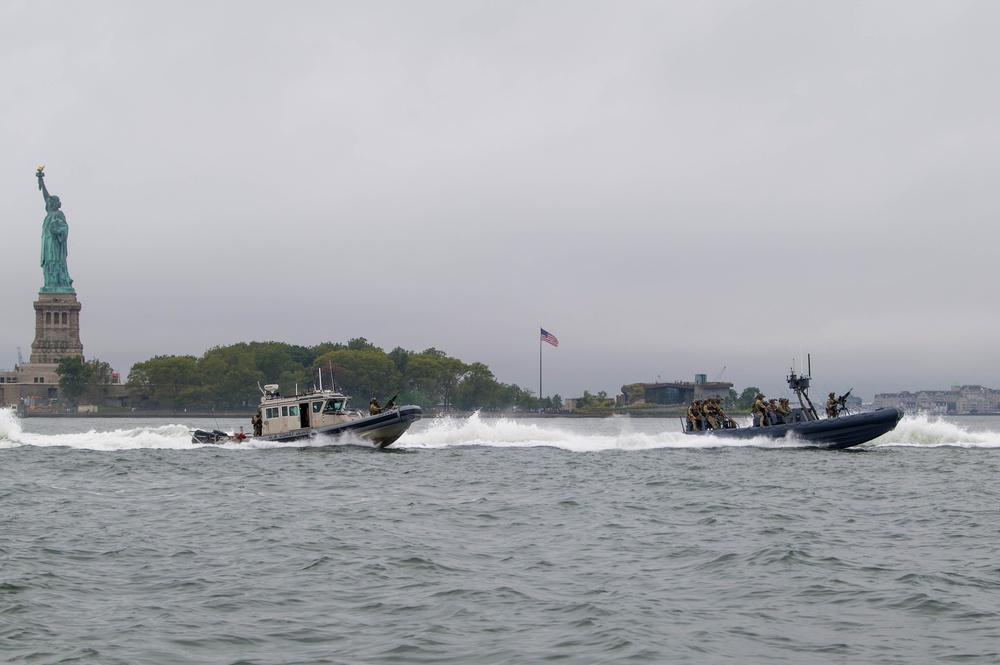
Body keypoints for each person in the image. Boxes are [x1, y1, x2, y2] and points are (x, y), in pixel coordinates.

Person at [36, 167, 74, 292]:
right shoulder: (50, 213)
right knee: (48, 262)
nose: (49, 203)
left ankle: (58, 283)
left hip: (56, 245)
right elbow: (46, 196)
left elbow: (65, 227)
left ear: (55, 204)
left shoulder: (58, 214)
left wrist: (57, 231)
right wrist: (41, 180)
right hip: (48, 244)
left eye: (51, 202)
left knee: (55, 262)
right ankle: (50, 285)